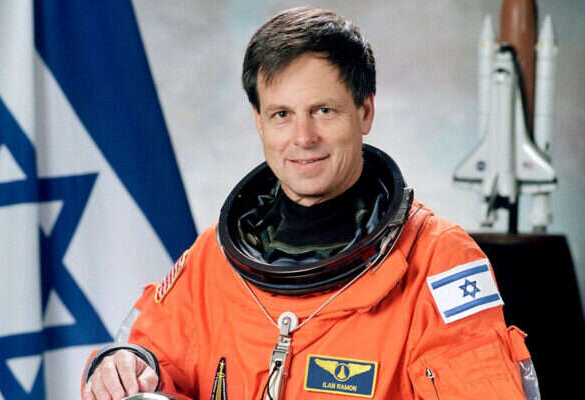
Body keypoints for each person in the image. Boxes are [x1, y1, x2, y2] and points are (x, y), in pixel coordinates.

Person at [82, 7, 540, 400]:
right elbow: (145, 356)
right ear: (259, 122)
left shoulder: (436, 261)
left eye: (323, 111)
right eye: (282, 114)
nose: (303, 138)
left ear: (365, 112)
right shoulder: (213, 261)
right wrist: (123, 364)